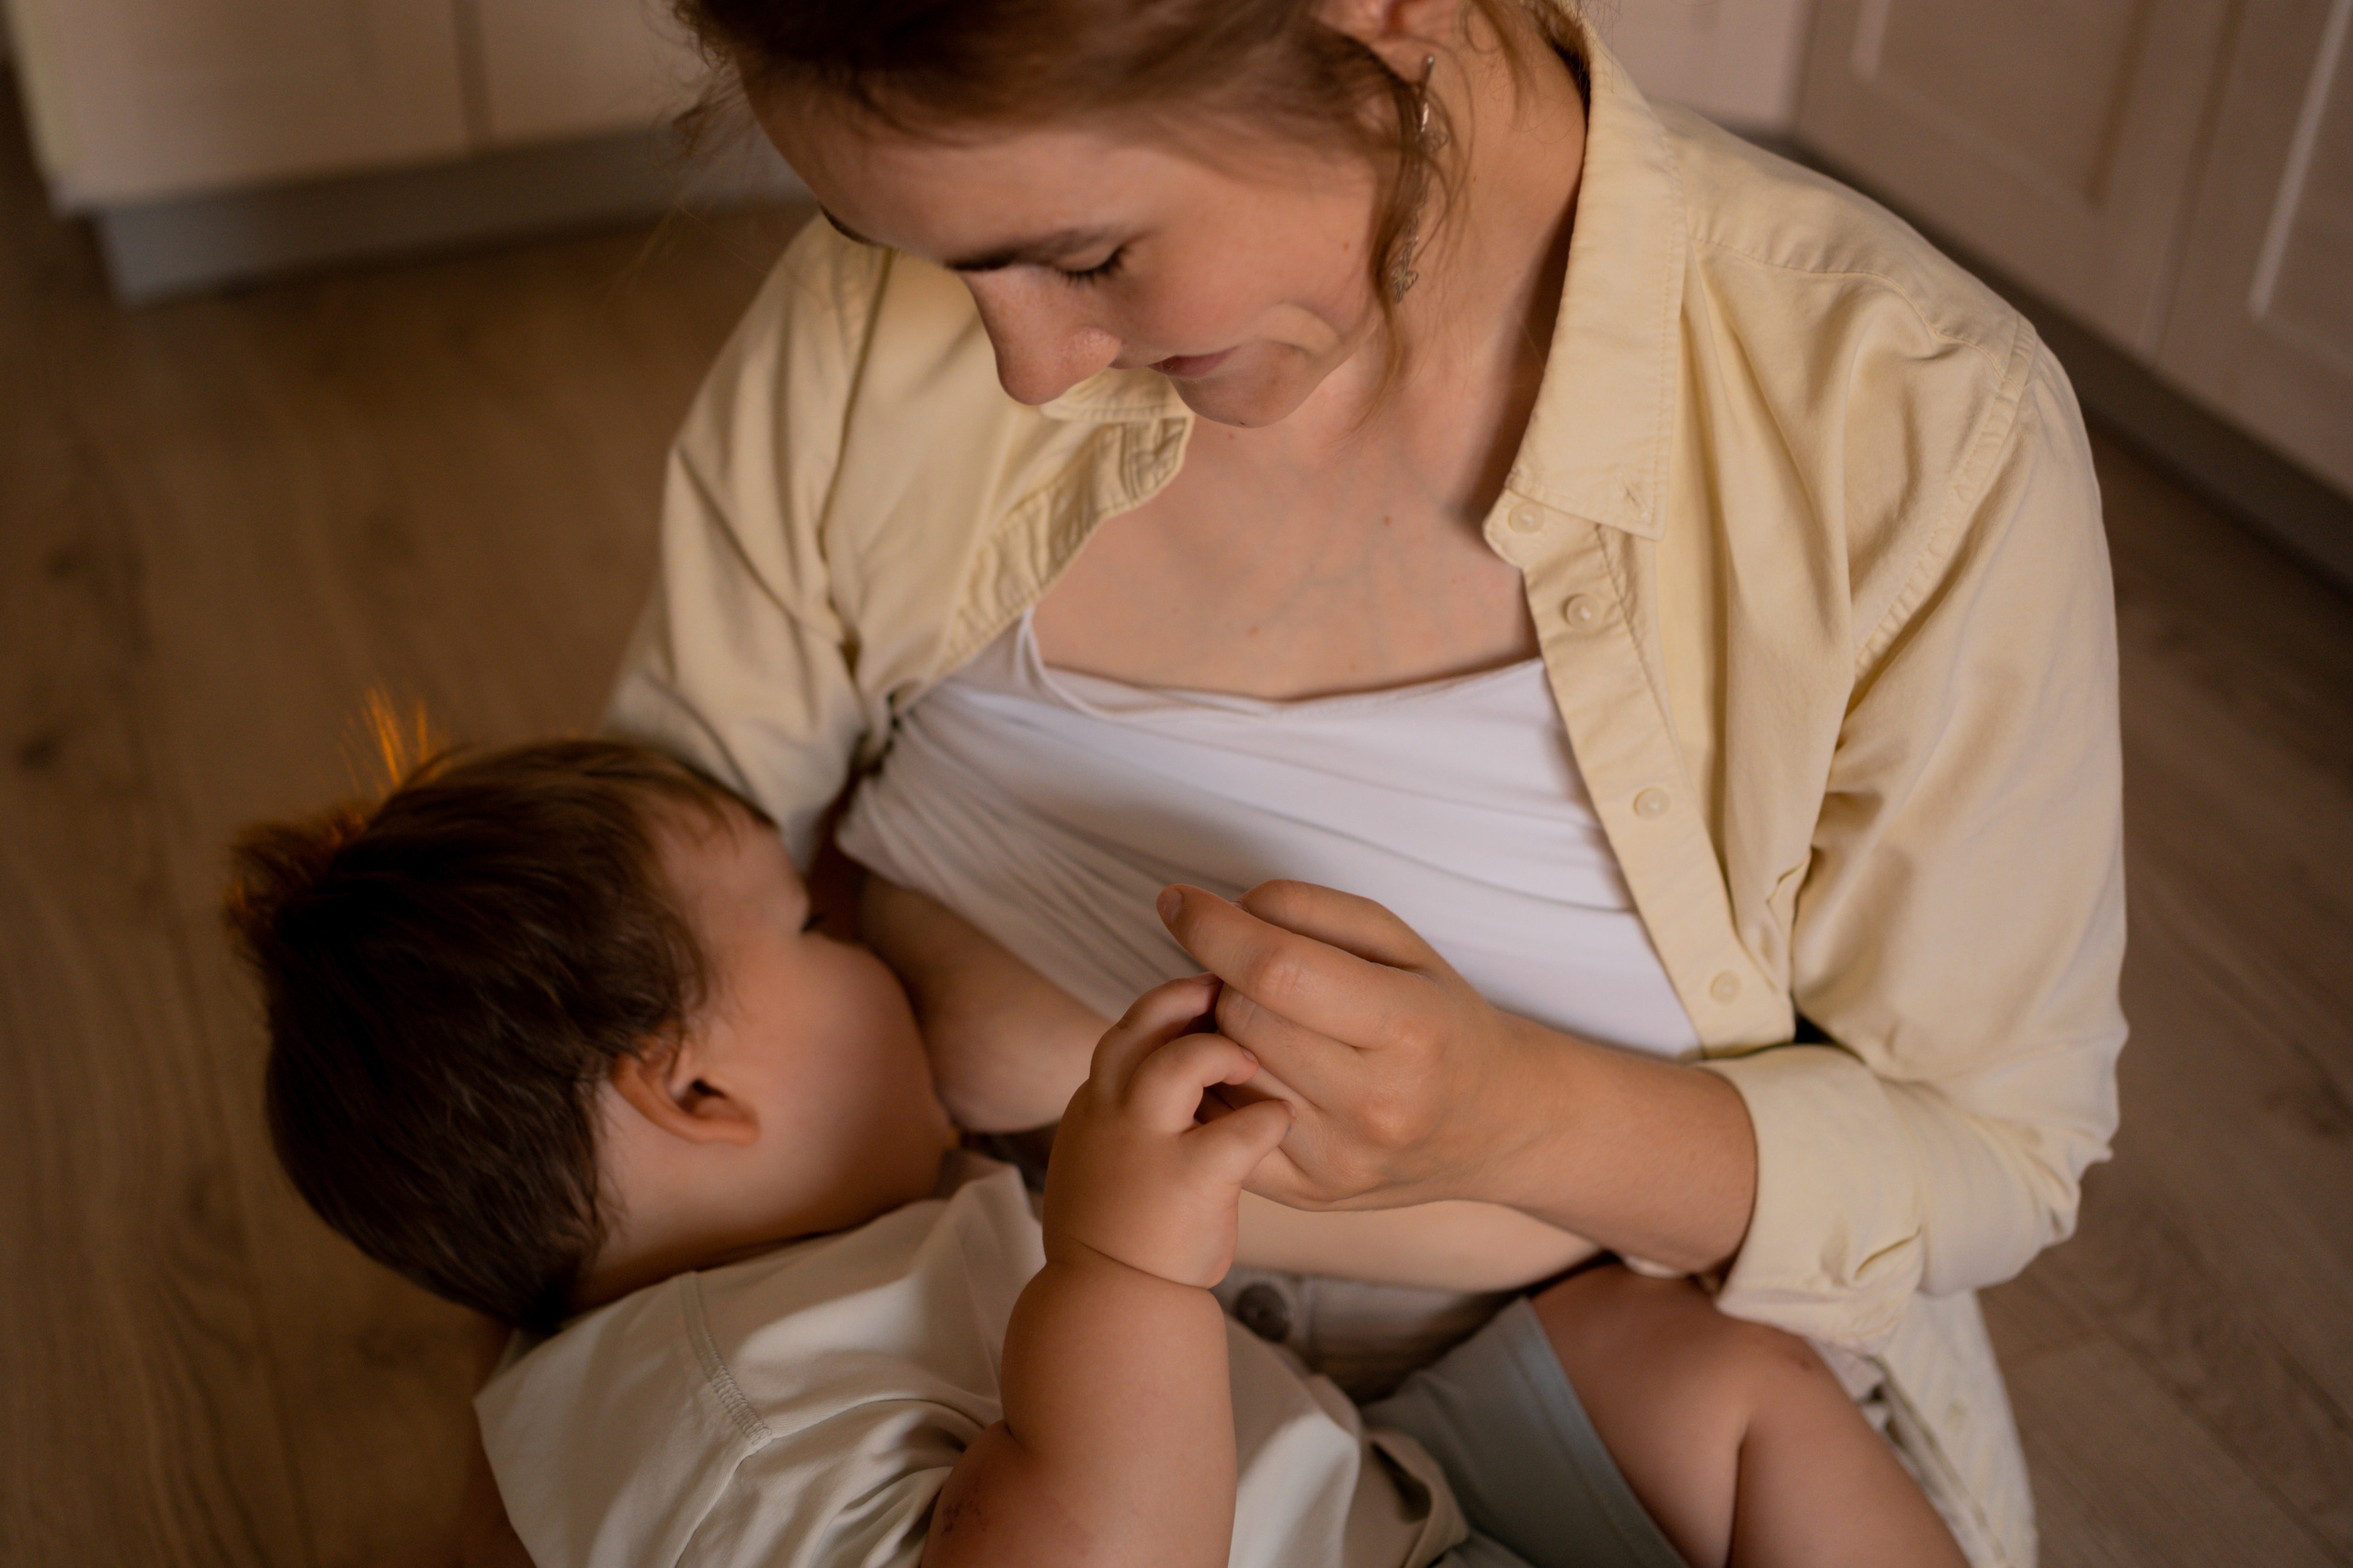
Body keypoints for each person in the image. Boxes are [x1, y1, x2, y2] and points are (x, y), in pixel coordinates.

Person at [613, 0, 2127, 1562]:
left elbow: (1993, 1141)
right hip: (959, 1337)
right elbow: (646, 877)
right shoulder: (879, 317)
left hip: (1617, 1361)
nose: (1023, 365)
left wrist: (1517, 1119)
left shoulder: (1911, 428)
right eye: (935, 257)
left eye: (1090, 256)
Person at [222, 737, 1967, 1568]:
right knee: (1732, 1390)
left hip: (1376, 1491)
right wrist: (1126, 1269)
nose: (856, 930)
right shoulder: (730, 1423)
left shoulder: (649, 1334)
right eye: (806, 927)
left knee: (1703, 1361)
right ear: (691, 1098)